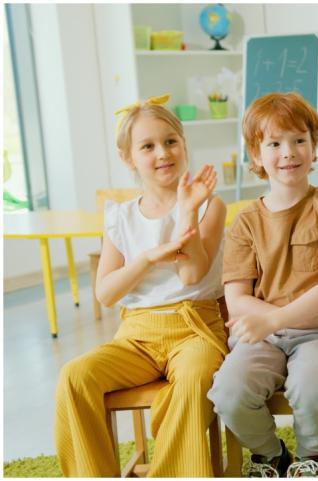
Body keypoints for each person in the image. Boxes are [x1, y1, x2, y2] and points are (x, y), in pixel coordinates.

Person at [54, 95, 228, 476]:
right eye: (147, 146)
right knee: (75, 375)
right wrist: (148, 258)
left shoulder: (209, 206)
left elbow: (190, 275)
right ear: (128, 159)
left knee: (196, 378)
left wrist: (186, 211)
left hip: (196, 330)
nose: (162, 152)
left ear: (183, 144)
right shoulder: (120, 218)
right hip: (136, 336)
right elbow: (105, 293)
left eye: (170, 141)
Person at [206, 92, 318, 478]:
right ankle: (271, 453)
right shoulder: (245, 221)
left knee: (313, 389)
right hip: (264, 335)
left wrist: (274, 319)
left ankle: (310, 456)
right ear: (256, 156)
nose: (288, 152)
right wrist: (280, 321)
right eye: (274, 143)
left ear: (314, 148)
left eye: (299, 140)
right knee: (228, 392)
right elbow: (237, 297)